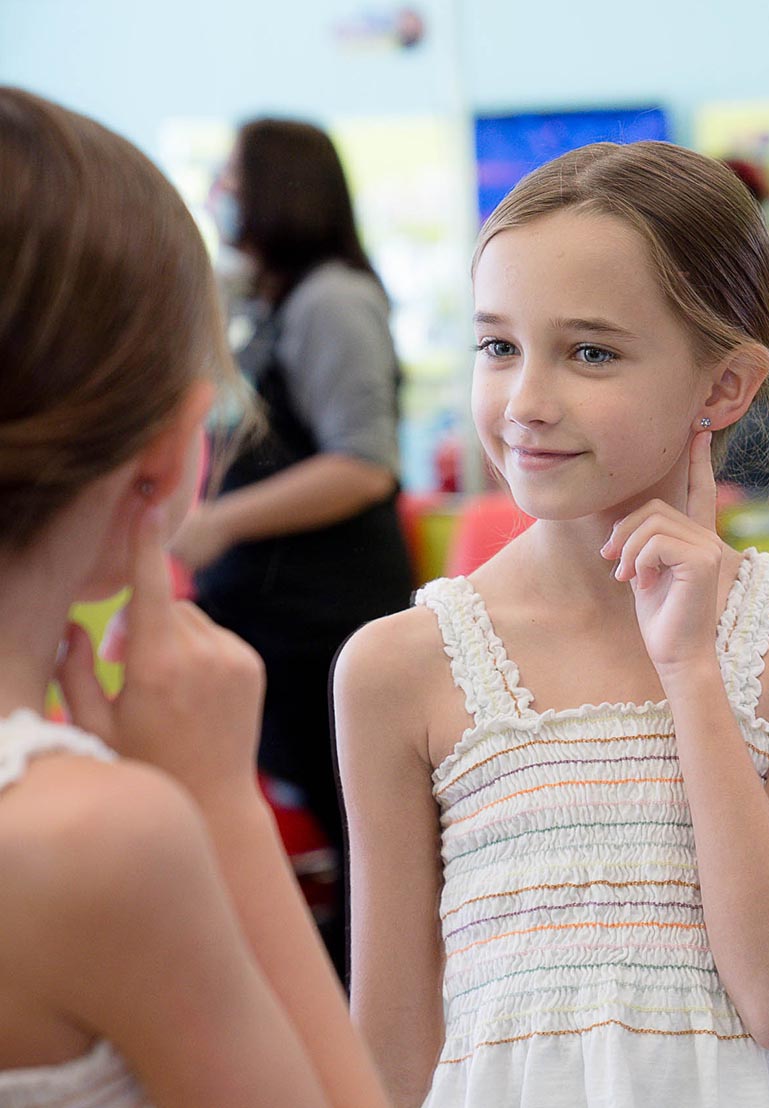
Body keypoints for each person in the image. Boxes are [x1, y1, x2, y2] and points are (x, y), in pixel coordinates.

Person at [335, 141, 769, 1106]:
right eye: (498, 346)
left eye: (590, 352)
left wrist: (693, 675)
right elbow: (391, 1042)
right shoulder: (397, 667)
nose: (526, 404)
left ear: (723, 387)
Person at [0, 87, 387, 1108]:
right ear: (175, 451)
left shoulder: (326, 299)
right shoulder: (96, 842)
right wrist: (217, 805)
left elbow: (365, 459)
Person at [172, 118, 414, 977]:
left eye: (232, 178)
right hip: (271, 613)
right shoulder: (268, 302)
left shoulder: (333, 301)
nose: (217, 195)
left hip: (326, 616)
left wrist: (221, 522)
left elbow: (363, 464)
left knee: (360, 832)